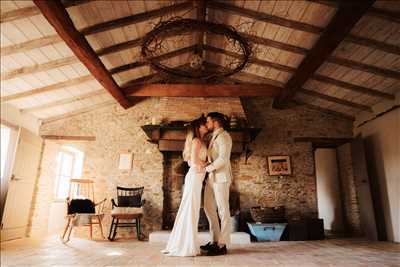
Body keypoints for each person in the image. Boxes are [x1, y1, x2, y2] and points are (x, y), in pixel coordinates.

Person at [161, 116, 209, 257]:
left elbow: (190, 160)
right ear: (198, 127)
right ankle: (185, 245)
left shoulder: (198, 141)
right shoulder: (196, 141)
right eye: (204, 124)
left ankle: (184, 243)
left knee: (191, 210)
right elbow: (193, 160)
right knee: (190, 210)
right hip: (194, 177)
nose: (206, 125)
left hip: (196, 177)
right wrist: (207, 165)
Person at [200, 112, 233, 256]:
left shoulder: (224, 136)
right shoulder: (215, 136)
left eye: (208, 121)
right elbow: (214, 157)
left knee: (223, 211)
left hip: (221, 178)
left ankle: (222, 244)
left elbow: (223, 159)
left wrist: (207, 168)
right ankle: (214, 240)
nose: (207, 124)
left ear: (216, 122)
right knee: (208, 208)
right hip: (211, 178)